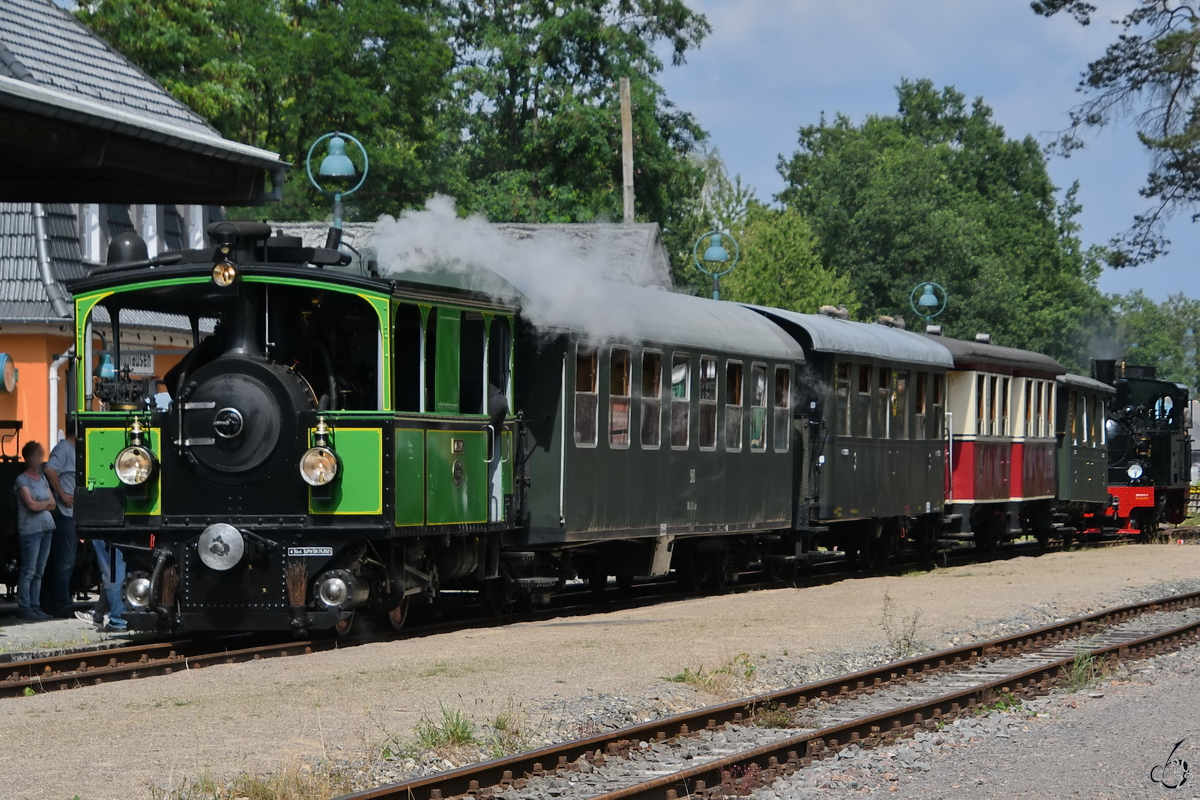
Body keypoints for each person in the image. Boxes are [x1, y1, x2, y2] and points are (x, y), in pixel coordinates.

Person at [14, 441, 55, 621]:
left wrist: (42, 505)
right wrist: (43, 504)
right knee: (29, 571)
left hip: (47, 528)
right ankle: (25, 607)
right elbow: (31, 505)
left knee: (39, 571)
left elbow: (53, 504)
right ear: (29, 458)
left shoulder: (43, 478)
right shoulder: (22, 480)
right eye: (37, 455)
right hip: (31, 531)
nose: (40, 459)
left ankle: (35, 606)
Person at [43, 422, 77, 618]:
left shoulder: (72, 449)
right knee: (65, 560)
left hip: (75, 514)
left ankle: (64, 601)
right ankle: (61, 604)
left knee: (69, 560)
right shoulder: (64, 448)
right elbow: (49, 469)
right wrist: (62, 494)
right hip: (66, 514)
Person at [78, 540, 126, 632]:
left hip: (109, 531)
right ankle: (98, 614)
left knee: (112, 572)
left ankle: (118, 619)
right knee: (115, 570)